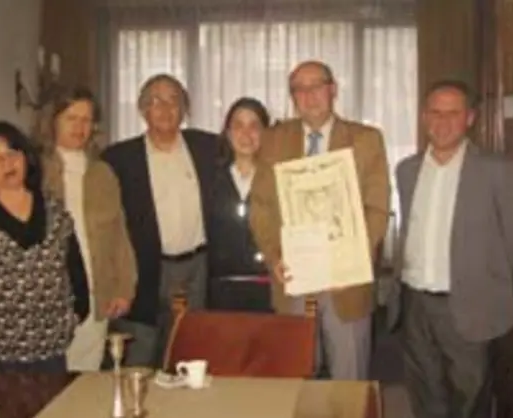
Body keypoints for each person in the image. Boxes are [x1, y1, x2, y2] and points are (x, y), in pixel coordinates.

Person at [394, 80, 513, 418]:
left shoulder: (496, 170)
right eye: (435, 112)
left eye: (453, 112)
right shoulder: (406, 170)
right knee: (426, 394)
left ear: (469, 118)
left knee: (471, 400)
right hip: (416, 304)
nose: (443, 121)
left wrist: (481, 279)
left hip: (469, 304)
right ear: (424, 117)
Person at [249, 60, 390, 380]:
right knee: (296, 379)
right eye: (299, 89)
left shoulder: (366, 139)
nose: (309, 95)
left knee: (349, 381)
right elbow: (261, 206)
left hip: (347, 284)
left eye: (316, 86)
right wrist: (274, 257)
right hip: (293, 277)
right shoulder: (274, 139)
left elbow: (377, 207)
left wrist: (350, 259)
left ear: (333, 90)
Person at [0, 121, 89, 373]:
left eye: (13, 154)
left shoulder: (56, 214)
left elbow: (75, 270)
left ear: (26, 159)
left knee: (53, 412)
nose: (7, 163)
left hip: (51, 350)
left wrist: (77, 314)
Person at [102, 74, 219, 367]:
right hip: (145, 271)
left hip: (198, 270)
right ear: (143, 110)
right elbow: (106, 227)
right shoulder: (119, 158)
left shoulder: (209, 148)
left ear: (184, 109)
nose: (165, 108)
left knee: (192, 356)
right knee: (139, 358)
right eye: (156, 101)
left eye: (173, 100)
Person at [39, 85, 136, 372]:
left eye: (87, 120)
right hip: (47, 298)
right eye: (72, 118)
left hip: (97, 293)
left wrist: (124, 287)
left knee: (87, 377)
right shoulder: (35, 169)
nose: (80, 127)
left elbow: (119, 236)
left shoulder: (102, 173)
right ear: (53, 120)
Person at [207, 97, 273, 312]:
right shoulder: (209, 178)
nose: (246, 134)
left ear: (266, 133)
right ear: (227, 133)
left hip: (269, 287)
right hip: (222, 289)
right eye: (238, 125)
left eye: (254, 126)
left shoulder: (277, 178)